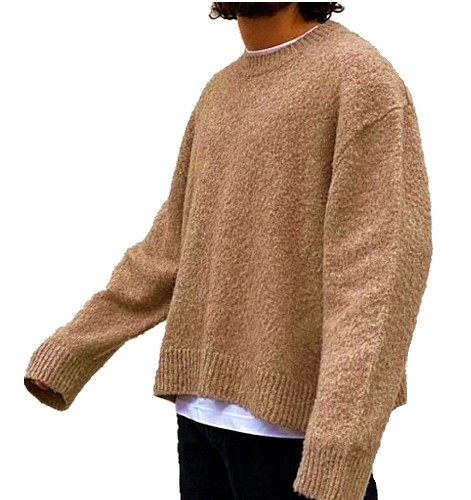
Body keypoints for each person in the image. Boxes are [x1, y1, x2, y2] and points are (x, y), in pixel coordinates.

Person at [24, 3, 432, 500]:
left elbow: (377, 278)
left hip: (297, 442)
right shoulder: (220, 92)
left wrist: (340, 446)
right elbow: (170, 247)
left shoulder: (360, 79)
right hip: (199, 420)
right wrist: (72, 349)